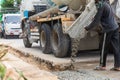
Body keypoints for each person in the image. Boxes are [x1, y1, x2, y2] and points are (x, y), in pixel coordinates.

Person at [85, 0, 120, 71]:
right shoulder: (107, 3)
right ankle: (118, 66)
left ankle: (102, 65)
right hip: (115, 27)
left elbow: (96, 21)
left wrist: (87, 28)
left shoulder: (101, 5)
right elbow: (103, 16)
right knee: (116, 48)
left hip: (108, 29)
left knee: (103, 48)